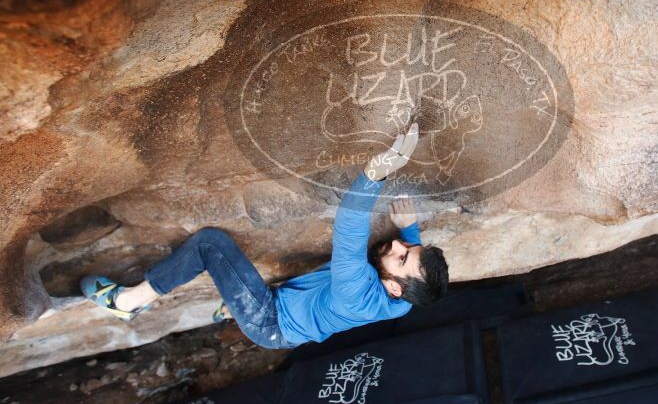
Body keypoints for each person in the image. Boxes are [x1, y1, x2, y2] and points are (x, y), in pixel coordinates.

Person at [79, 122, 449, 349]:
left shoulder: (358, 296)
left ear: (395, 287)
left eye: (402, 255)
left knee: (211, 244)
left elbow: (349, 230)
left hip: (269, 321)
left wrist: (374, 174)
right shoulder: (408, 297)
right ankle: (231, 309)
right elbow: (413, 269)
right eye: (410, 247)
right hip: (293, 320)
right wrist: (410, 229)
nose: (400, 246)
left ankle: (128, 303)